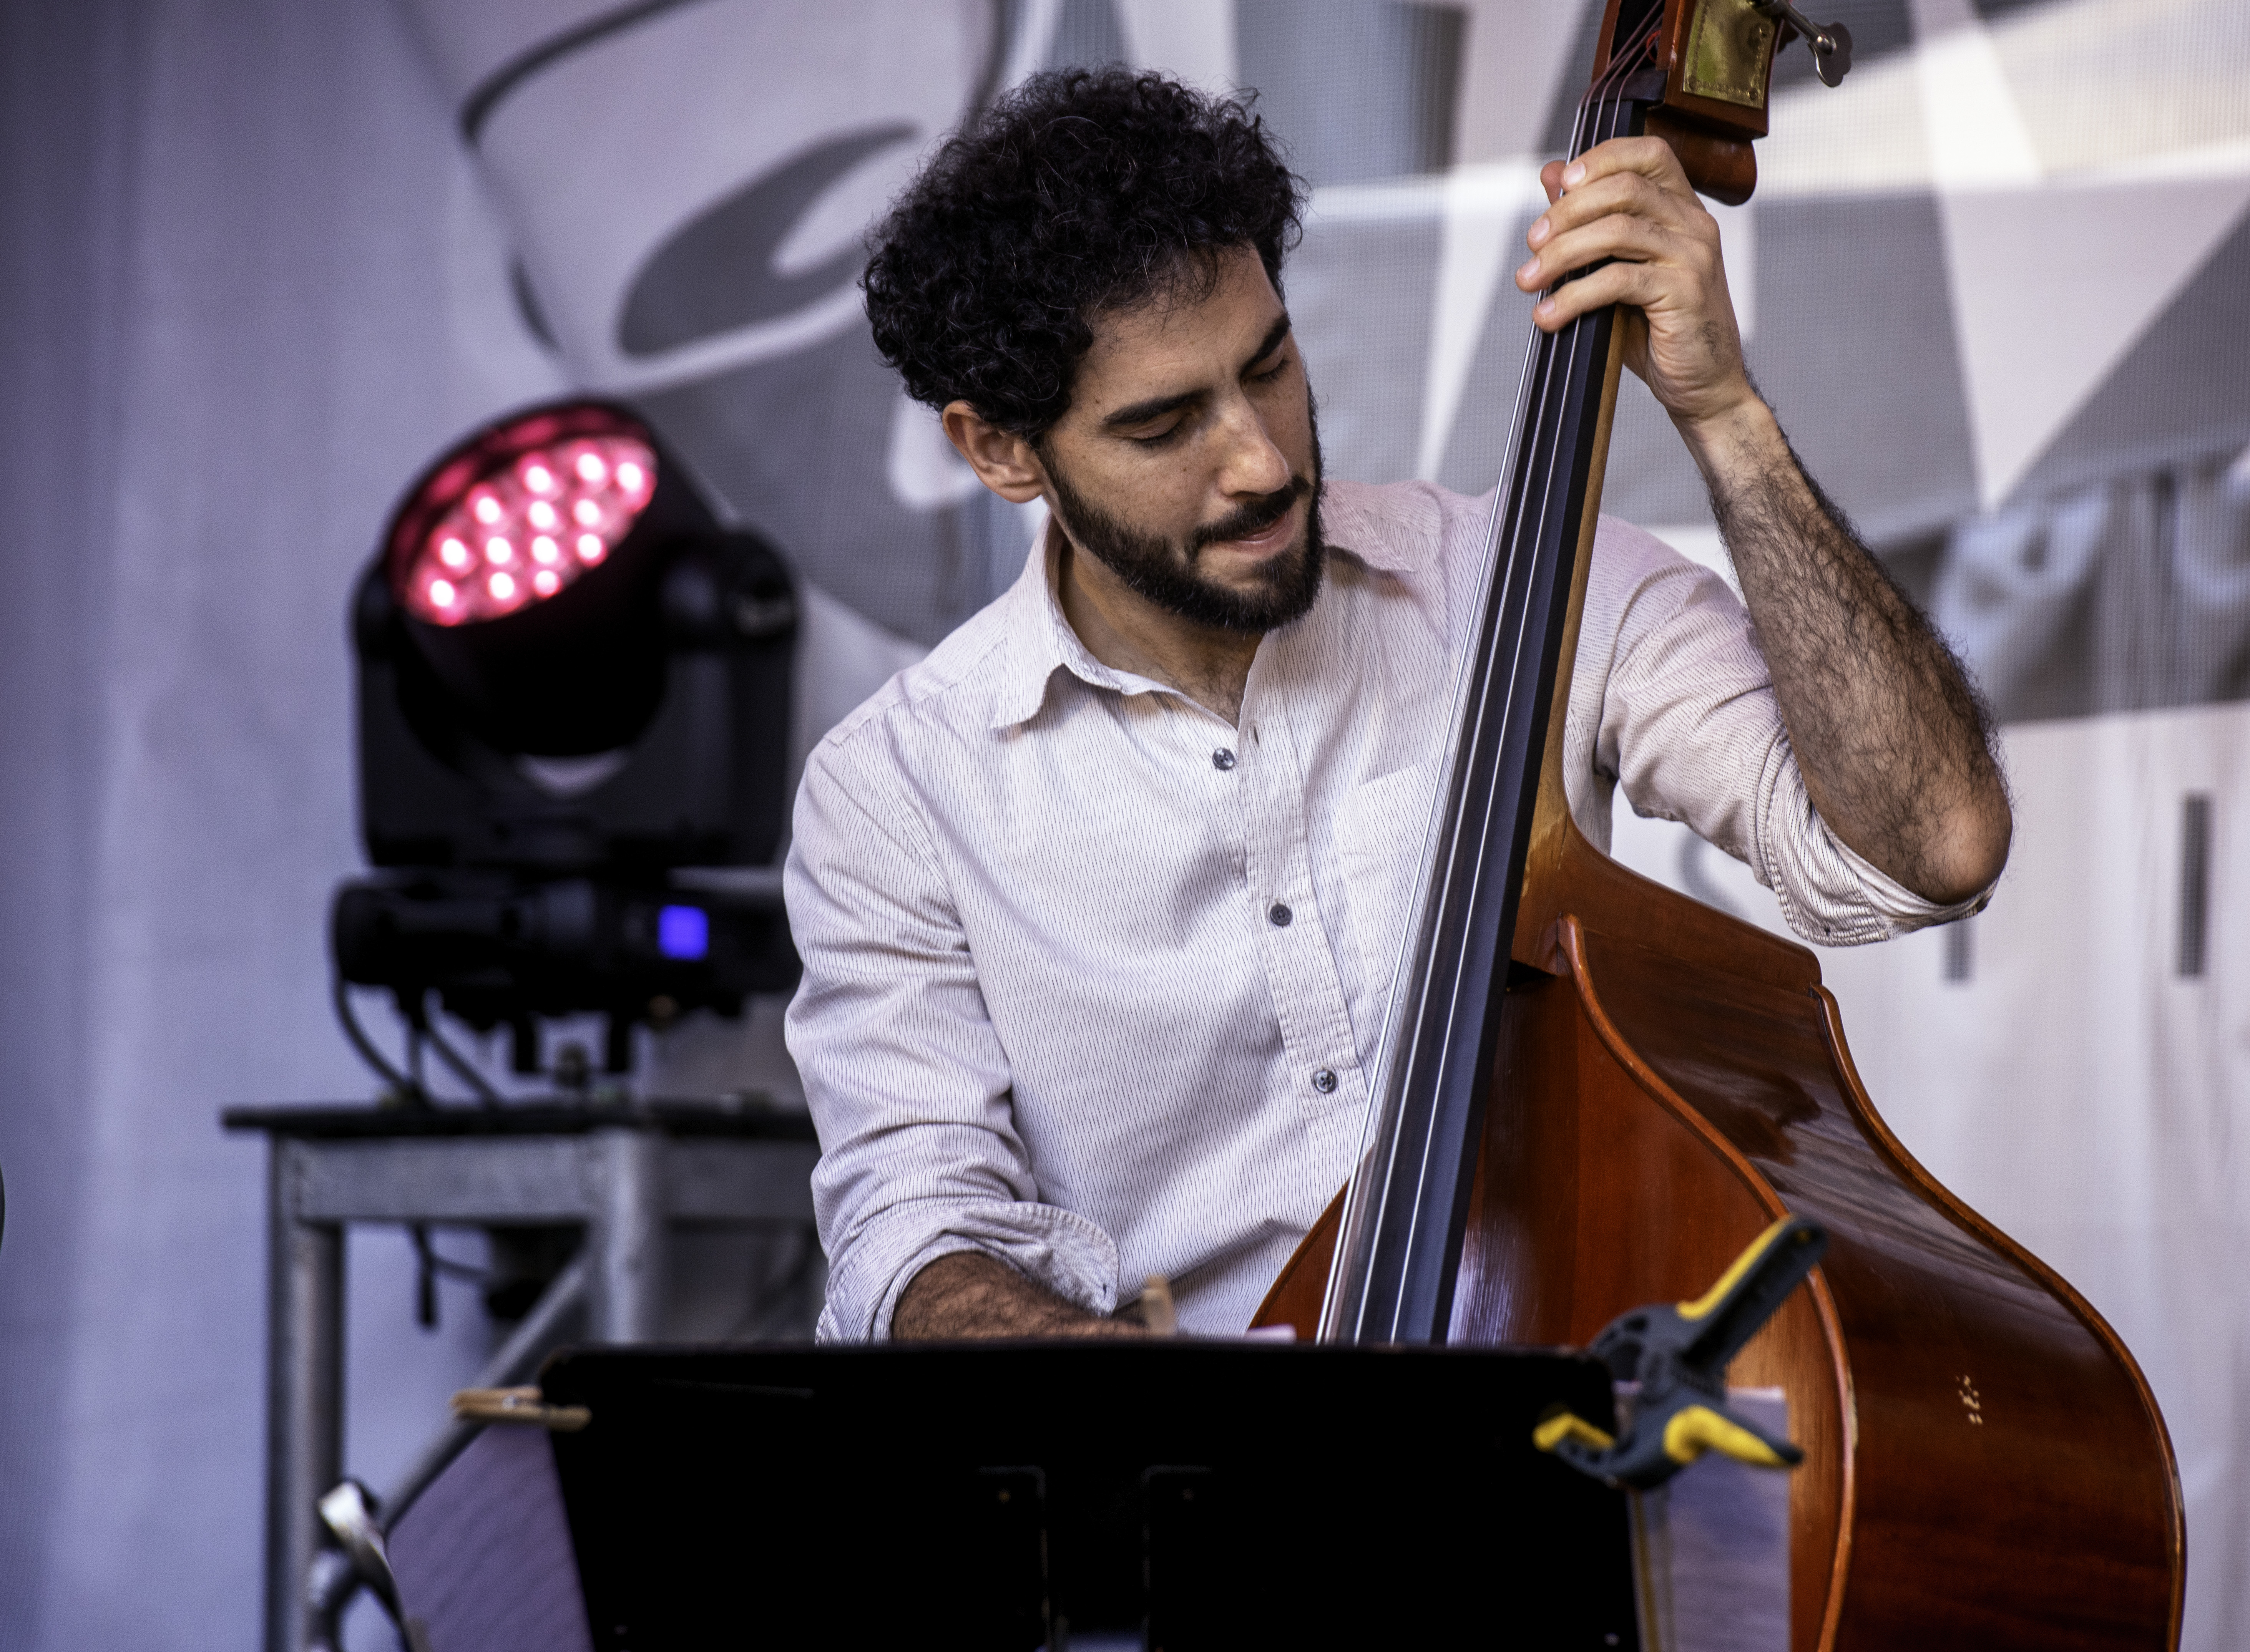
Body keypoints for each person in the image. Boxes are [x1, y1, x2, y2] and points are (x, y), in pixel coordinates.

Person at [784, 68, 2010, 1343]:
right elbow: (913, 1238)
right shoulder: (896, 793)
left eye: (1269, 367)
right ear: (999, 451)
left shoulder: (1526, 581)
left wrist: (1726, 416)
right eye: (1163, 429)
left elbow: (1927, 853)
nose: (1261, 460)